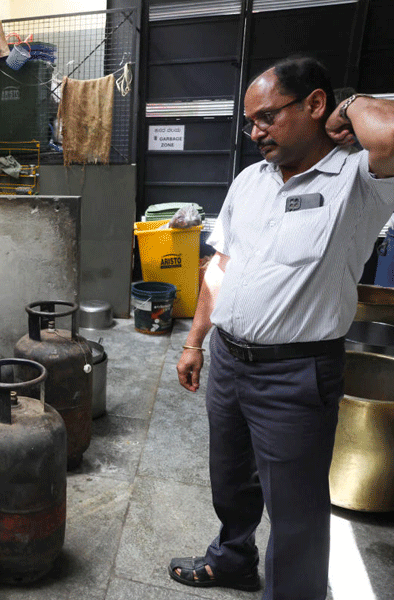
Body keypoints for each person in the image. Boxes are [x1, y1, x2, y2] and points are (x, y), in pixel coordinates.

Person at [169, 55, 394, 600]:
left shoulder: (357, 179)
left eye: (267, 117)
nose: (255, 133)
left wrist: (350, 105)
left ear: (315, 104)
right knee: (230, 480)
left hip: (295, 376)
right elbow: (220, 266)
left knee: (296, 513)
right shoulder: (250, 180)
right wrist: (196, 340)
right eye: (250, 122)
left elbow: (389, 136)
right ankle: (232, 560)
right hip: (229, 361)